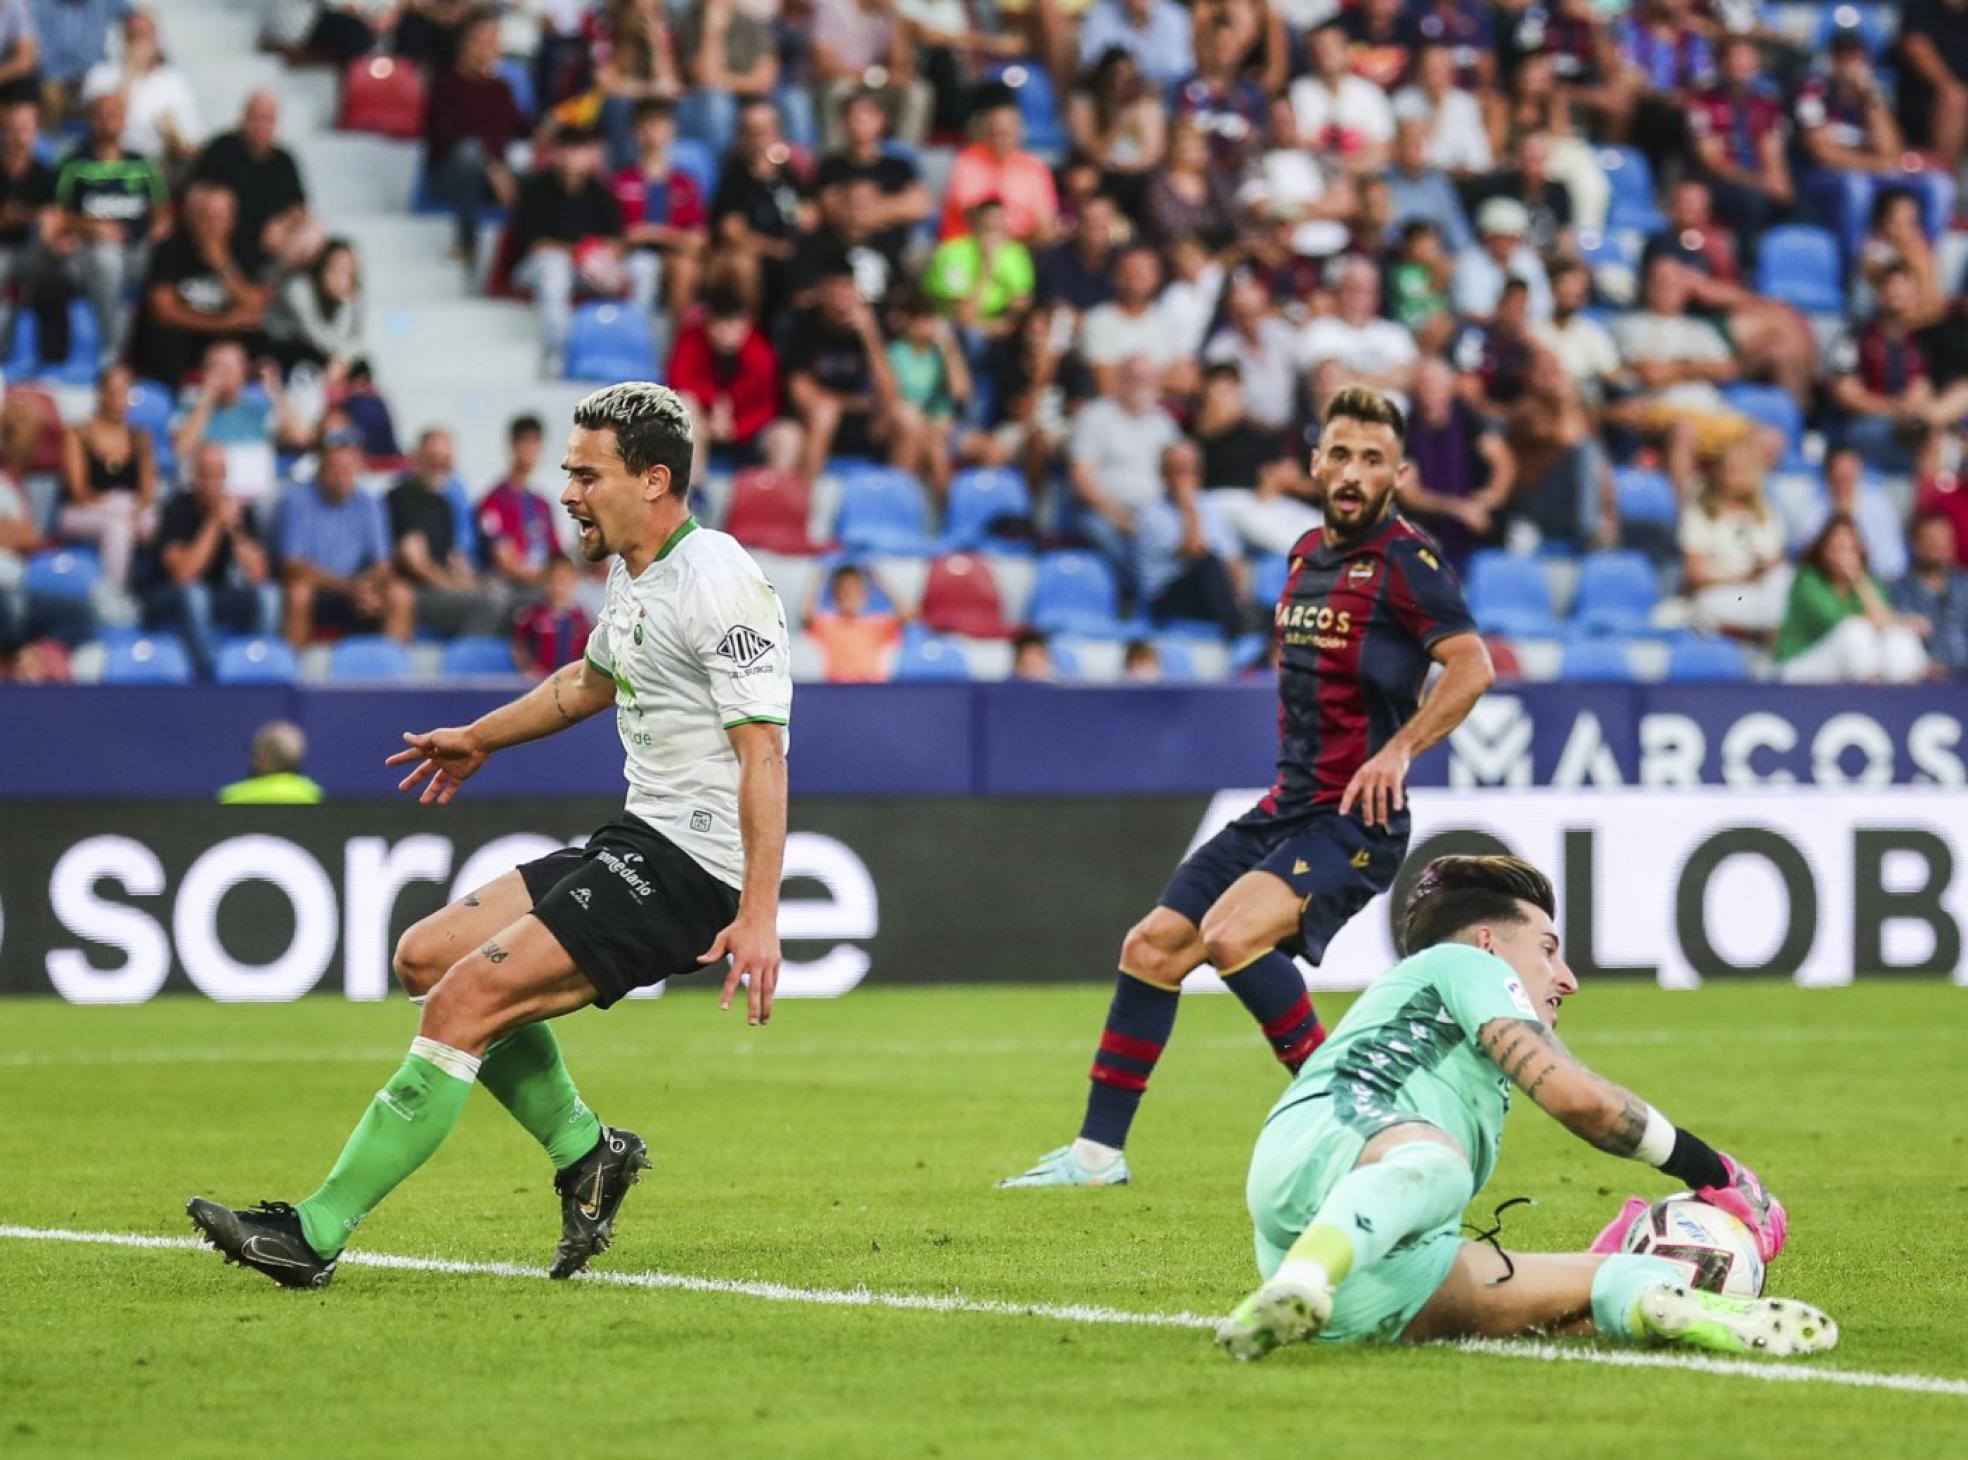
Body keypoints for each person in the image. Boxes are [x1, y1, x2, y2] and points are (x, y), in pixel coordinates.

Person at [188, 383, 793, 1290]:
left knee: (461, 1009)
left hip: (691, 870)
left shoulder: (720, 583)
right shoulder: (634, 570)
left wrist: (758, 914)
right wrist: (478, 737)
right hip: (636, 839)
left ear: (655, 479)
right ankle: (590, 1153)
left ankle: (314, 1232)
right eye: (567, 473)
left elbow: (766, 759)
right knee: (426, 958)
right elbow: (588, 683)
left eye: (587, 475)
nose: (568, 493)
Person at [1002, 387, 1494, 1188]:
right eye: (1340, 453)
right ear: (1314, 461)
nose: (1352, 472)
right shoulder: (1303, 554)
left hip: (1353, 820)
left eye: (1373, 460)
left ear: (1397, 475)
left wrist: (1398, 749)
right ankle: (1095, 1157)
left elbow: (1472, 665)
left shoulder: (1409, 562)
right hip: (1285, 808)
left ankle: (1355, 1120)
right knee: (1152, 949)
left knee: (1232, 937)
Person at [1215, 853, 1824, 1362]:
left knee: (1597, 1285)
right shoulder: (1465, 963)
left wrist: (1609, 1263)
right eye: (1548, 949)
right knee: (1438, 1165)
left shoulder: (1467, 1048)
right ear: (1488, 942)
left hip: (1388, 1268)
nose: (1566, 979)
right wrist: (1713, 1170)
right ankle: (1301, 1280)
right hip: (1325, 1142)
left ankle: (1691, 1310)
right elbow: (1582, 1101)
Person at [512, 127, 656, 376]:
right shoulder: (536, 189)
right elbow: (535, 244)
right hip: (537, 267)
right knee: (554, 267)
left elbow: (615, 239)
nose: (572, 158)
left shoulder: (600, 192)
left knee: (644, 265)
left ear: (590, 156)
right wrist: (579, 252)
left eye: (579, 151)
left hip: (589, 267)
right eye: (566, 150)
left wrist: (602, 254)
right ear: (555, 154)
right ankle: (558, 350)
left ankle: (634, 339)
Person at [782, 251, 923, 484]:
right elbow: (800, 393)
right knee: (824, 413)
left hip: (864, 423)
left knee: (908, 416)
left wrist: (870, 336)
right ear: (822, 292)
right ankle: (805, 509)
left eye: (847, 287)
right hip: (818, 422)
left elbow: (890, 392)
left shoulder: (872, 325)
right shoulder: (804, 325)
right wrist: (850, 404)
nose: (841, 295)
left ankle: (894, 506)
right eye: (834, 287)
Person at [51, 87, 166, 364]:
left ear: (124, 120)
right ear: (90, 119)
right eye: (100, 115)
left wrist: (154, 234)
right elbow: (55, 216)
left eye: (114, 114)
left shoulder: (143, 164)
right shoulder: (73, 163)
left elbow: (163, 215)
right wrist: (91, 226)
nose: (107, 121)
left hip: (138, 250)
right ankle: (115, 349)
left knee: (169, 258)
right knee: (106, 258)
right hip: (89, 253)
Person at [148, 441, 278, 678]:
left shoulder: (240, 510)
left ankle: (255, 664)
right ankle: (209, 674)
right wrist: (215, 524)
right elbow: (183, 575)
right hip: (167, 596)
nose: (212, 483)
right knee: (194, 593)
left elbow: (258, 573)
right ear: (193, 477)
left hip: (218, 593)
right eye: (206, 476)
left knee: (268, 596)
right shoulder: (177, 508)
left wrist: (236, 532)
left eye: (219, 475)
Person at [278, 428, 414, 649]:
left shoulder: (369, 503)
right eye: (335, 469)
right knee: (298, 593)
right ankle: (293, 676)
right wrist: (347, 587)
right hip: (319, 590)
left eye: (348, 469)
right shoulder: (296, 500)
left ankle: (393, 675)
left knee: (401, 594)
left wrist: (366, 587)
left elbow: (383, 565)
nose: (341, 476)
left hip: (358, 589)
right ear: (321, 468)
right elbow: (292, 566)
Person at [126, 182, 267, 387]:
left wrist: (223, 267)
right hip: (185, 336)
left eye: (222, 218)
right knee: (163, 336)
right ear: (194, 219)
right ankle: (170, 401)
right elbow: (163, 310)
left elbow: (255, 308)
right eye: (209, 217)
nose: (216, 226)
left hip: (219, 337)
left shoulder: (242, 252)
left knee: (261, 340)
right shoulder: (170, 249)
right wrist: (222, 322)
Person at [424, 7, 526, 262]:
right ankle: (467, 243)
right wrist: (491, 166)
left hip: (494, 178)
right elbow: (447, 136)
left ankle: (522, 252)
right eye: (483, 39)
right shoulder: (444, 84)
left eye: (494, 41)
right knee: (468, 153)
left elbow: (522, 128)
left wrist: (551, 128)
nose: (489, 48)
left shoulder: (501, 89)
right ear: (464, 42)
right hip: (450, 175)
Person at [1775, 513, 1928, 684]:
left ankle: (1903, 699)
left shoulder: (1870, 583)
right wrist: (1898, 620)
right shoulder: (1808, 580)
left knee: (1899, 638)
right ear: (1823, 550)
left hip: (1846, 668)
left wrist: (1859, 580)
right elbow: (1837, 621)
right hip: (1800, 666)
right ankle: (1868, 696)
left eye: (1850, 549)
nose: (1844, 557)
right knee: (1855, 631)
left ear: (1860, 551)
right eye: (1837, 548)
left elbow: (1884, 622)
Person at [1066, 353, 1183, 576]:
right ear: (1119, 381)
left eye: (1147, 379)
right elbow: (1080, 479)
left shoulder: (1164, 424)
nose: (1140, 385)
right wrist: (1118, 516)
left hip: (1154, 513)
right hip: (1102, 511)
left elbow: (1179, 475)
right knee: (1112, 537)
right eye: (1133, 378)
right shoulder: (1095, 416)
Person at [388, 429, 507, 639]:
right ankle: (464, 665)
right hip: (417, 593)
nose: (440, 467)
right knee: (489, 604)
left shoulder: (444, 504)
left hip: (441, 587)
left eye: (445, 461)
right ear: (417, 457)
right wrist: (454, 587)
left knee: (501, 593)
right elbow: (417, 564)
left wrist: (473, 583)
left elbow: (453, 559)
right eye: (433, 459)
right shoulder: (400, 498)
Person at [189, 90, 319, 279]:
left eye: (267, 119)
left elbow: (299, 208)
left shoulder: (284, 160)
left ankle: (272, 287)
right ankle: (224, 276)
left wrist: (282, 224)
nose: (260, 125)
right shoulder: (222, 147)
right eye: (255, 117)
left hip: (267, 244)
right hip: (224, 236)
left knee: (314, 231)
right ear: (243, 118)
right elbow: (196, 194)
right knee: (218, 203)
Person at [1676, 438, 1791, 638]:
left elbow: (1778, 560)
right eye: (1727, 469)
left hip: (1761, 593)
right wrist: (1744, 577)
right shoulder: (1700, 512)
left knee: (1784, 579)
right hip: (1724, 592)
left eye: (1739, 470)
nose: (1732, 477)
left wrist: (1766, 566)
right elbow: (1695, 574)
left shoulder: (1766, 512)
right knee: (1713, 606)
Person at [56, 363, 155, 597]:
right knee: (118, 529)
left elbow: (148, 489)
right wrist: (115, 506)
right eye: (114, 391)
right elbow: (78, 491)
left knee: (153, 523)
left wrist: (137, 509)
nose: (120, 399)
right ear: (101, 393)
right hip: (83, 510)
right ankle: (113, 595)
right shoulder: (78, 433)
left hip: (128, 506)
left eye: (125, 391)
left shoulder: (140, 438)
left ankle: (152, 594)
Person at [1135, 438, 1245, 638]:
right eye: (1176, 470)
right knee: (1208, 564)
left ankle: (1245, 630)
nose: (1184, 477)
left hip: (1208, 593)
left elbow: (1233, 560)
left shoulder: (1211, 506)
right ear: (1163, 475)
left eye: (1190, 469)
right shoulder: (1151, 513)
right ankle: (1237, 632)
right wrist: (1188, 508)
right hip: (1165, 597)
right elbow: (1194, 551)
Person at [666, 287, 780, 476]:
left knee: (786, 436)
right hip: (703, 426)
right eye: (719, 324)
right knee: (685, 403)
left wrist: (736, 429)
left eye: (734, 324)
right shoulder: (691, 339)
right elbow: (677, 381)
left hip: (747, 431)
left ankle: (771, 498)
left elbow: (768, 407)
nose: (727, 332)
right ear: (707, 323)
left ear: (747, 324)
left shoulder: (761, 353)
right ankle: (693, 489)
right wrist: (715, 402)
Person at [613, 99, 707, 320]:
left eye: (661, 125)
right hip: (634, 257)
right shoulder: (620, 181)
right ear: (636, 132)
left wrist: (653, 233)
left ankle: (680, 345)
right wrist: (671, 235)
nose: (654, 133)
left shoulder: (686, 183)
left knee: (686, 267)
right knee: (644, 266)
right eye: (648, 126)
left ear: (672, 131)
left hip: (673, 256)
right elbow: (622, 235)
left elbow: (697, 237)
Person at [79, 8, 201, 167]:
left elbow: (192, 141)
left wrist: (173, 137)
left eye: (145, 34)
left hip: (158, 162)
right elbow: (106, 122)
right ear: (123, 37)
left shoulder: (173, 81)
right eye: (134, 34)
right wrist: (131, 70)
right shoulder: (100, 75)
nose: (140, 42)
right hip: (110, 160)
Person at [938, 88, 1058, 243]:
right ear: (986, 133)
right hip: (973, 242)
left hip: (1024, 245)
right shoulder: (967, 160)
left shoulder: (1035, 166)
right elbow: (973, 214)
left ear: (1019, 134)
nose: (1001, 139)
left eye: (1007, 133)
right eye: (996, 132)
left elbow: (1044, 219)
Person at [477, 414, 560, 593]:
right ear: (512, 446)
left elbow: (557, 554)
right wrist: (550, 581)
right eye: (525, 442)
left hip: (547, 585)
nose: (530, 450)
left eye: (535, 443)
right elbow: (505, 563)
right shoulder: (493, 501)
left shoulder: (542, 504)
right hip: (514, 588)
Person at [264, 237, 363, 377]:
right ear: (323, 266)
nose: (341, 275)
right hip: (284, 347)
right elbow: (314, 333)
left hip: (323, 352)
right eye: (336, 267)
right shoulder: (299, 288)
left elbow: (353, 338)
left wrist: (342, 360)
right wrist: (341, 358)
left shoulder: (350, 297)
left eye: (347, 270)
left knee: (362, 369)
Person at [1892, 512, 1968, 677]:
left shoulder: (1964, 586)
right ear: (1916, 545)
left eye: (1944, 540)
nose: (1939, 547)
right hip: (1919, 685)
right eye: (1931, 540)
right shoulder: (1897, 590)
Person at [806, 560, 901, 681]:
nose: (849, 595)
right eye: (844, 590)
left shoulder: (877, 624)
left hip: (871, 688)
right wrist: (822, 574)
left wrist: (880, 581)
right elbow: (806, 615)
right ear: (835, 594)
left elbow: (907, 618)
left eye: (854, 589)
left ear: (864, 594)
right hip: (836, 689)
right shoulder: (827, 624)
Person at [512, 553, 593, 676]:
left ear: (574, 581)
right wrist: (529, 668)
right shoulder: (531, 615)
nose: (560, 585)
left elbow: (589, 649)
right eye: (556, 579)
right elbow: (519, 648)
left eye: (566, 580)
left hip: (570, 681)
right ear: (545, 581)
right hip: (541, 681)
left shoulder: (579, 617)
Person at [217, 720, 325, 805]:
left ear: (264, 758)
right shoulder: (315, 797)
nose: (253, 761)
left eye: (255, 754)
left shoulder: (231, 797)